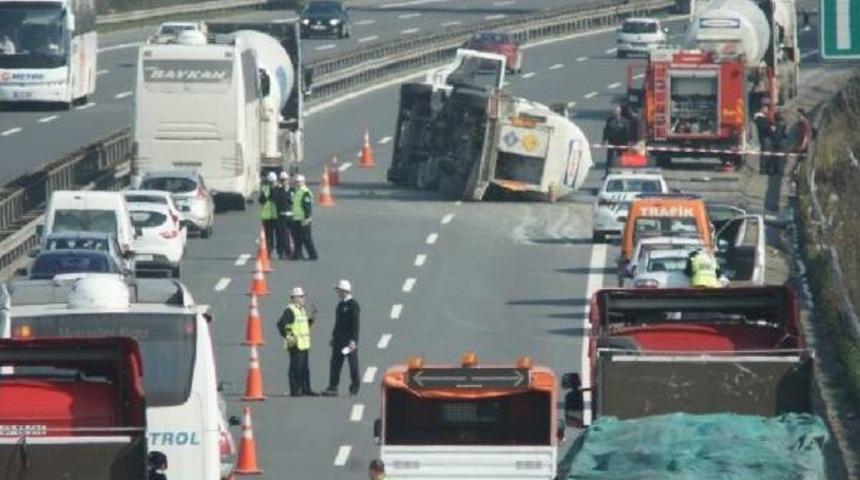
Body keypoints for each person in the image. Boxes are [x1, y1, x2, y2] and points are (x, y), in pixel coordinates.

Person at [277, 287, 319, 397]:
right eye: (301, 296)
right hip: (295, 344)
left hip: (304, 344)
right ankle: (295, 390)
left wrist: (311, 319)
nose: (304, 298)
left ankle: (306, 388)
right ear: (295, 298)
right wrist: (289, 337)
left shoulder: (301, 309)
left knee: (305, 368)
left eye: (304, 296)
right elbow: (281, 324)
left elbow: (303, 326)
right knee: (296, 367)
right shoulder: (290, 310)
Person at [323, 279, 361, 397]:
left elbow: (355, 324)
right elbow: (337, 323)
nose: (337, 293)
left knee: (352, 364)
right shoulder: (340, 305)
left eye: (339, 291)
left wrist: (353, 341)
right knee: (335, 363)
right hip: (339, 341)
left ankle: (354, 387)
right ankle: (333, 387)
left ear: (345, 291)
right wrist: (333, 337)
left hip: (349, 342)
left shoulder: (353, 305)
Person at [289, 174, 318, 261]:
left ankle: (313, 255)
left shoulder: (305, 192)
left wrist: (307, 218)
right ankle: (297, 255)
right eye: (295, 182)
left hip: (303, 219)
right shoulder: (296, 191)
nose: (297, 184)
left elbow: (307, 206)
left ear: (303, 182)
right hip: (296, 218)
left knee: (306, 238)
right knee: (296, 238)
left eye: (298, 182)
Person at [602, 106, 630, 175]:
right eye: (614, 111)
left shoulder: (624, 121)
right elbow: (606, 130)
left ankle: (620, 172)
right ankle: (607, 173)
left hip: (621, 142)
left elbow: (627, 132)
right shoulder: (609, 120)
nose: (615, 112)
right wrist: (604, 139)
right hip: (611, 141)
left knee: (620, 157)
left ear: (620, 112)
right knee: (610, 158)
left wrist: (628, 142)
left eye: (617, 111)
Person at [273, 171, 293, 259]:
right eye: (282, 180)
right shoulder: (277, 190)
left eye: (285, 180)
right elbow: (275, 199)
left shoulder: (292, 190)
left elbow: (292, 200)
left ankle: (291, 252)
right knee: (282, 234)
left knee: (292, 235)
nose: (283, 181)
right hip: (281, 215)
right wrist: (279, 188)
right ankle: (283, 252)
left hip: (291, 215)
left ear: (288, 180)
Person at [259, 171, 279, 255]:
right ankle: (269, 250)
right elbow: (261, 201)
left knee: (279, 234)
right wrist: (264, 195)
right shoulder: (265, 188)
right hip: (267, 216)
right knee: (268, 235)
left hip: (277, 216)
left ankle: (280, 250)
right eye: (269, 182)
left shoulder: (279, 189)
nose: (271, 183)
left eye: (272, 182)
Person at [791, 108, 813, 178]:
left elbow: (806, 136)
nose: (797, 117)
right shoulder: (799, 124)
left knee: (802, 160)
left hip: (805, 145)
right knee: (799, 160)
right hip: (800, 144)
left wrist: (803, 145)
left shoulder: (805, 123)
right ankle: (797, 174)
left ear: (802, 115)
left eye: (799, 116)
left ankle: (799, 175)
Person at [753, 106, 772, 174]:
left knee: (765, 154)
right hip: (764, 137)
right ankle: (764, 170)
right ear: (762, 109)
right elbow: (765, 128)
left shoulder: (762, 118)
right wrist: (771, 129)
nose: (767, 110)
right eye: (766, 109)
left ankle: (764, 169)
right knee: (765, 154)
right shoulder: (760, 118)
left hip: (764, 138)